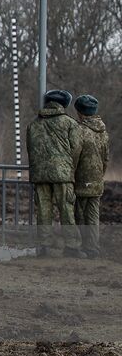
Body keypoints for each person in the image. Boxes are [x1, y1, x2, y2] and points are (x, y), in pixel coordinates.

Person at [26, 89, 83, 257]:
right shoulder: (70, 124)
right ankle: (72, 246)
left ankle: (44, 245)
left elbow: (30, 149)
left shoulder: (33, 124)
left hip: (39, 174)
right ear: (64, 104)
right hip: (62, 173)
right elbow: (76, 149)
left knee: (43, 210)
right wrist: (67, 166)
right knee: (66, 209)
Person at [73, 94, 110, 258]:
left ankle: (81, 247)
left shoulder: (80, 130)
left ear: (80, 112)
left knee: (79, 214)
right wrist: (100, 174)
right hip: (97, 180)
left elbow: (74, 156)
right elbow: (106, 157)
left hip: (81, 179)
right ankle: (93, 248)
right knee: (93, 215)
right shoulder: (103, 131)